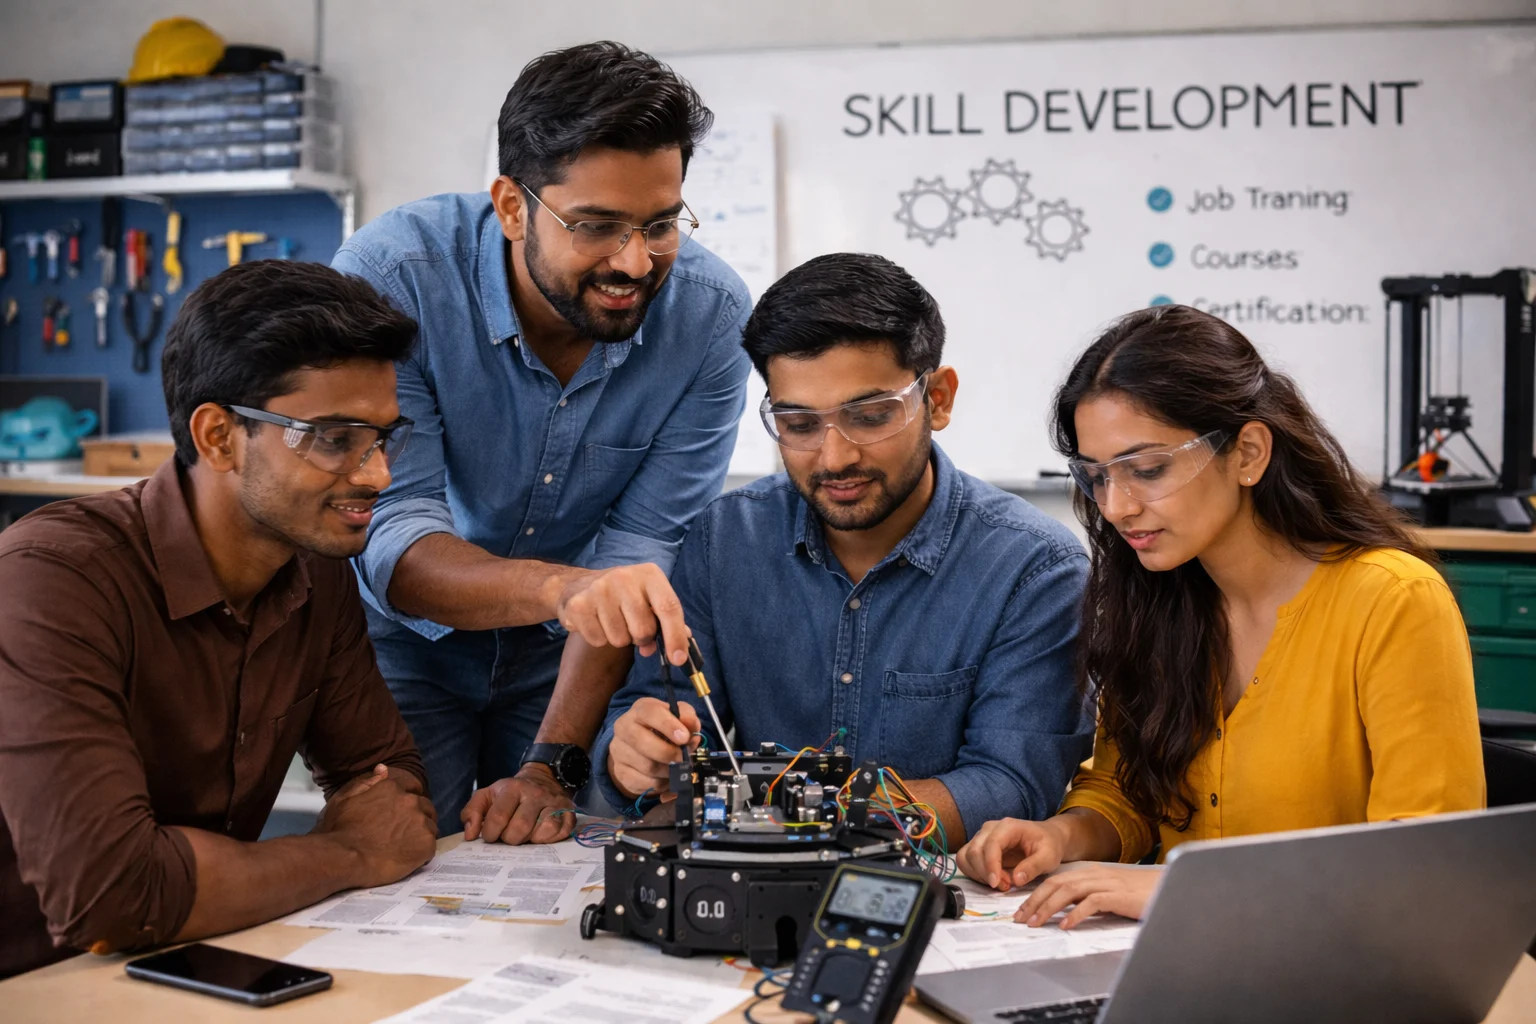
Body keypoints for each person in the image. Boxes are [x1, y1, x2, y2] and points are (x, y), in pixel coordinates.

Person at [333, 41, 751, 843]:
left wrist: (552, 760)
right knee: (408, 859)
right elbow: (394, 537)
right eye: (597, 227)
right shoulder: (395, 278)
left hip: (564, 661)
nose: (635, 261)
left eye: (660, 224)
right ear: (512, 206)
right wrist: (567, 590)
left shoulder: (710, 319)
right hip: (404, 645)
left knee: (557, 868)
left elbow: (640, 550)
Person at [956, 304, 1485, 927]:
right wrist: (1065, 837)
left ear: (1249, 453)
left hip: (1341, 967)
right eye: (1096, 477)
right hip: (1179, 958)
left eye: (1147, 470)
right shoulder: (1156, 599)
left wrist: (1182, 891)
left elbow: (1422, 865)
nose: (1117, 506)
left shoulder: (1393, 601)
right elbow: (1128, 791)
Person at [0, 261, 438, 979]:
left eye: (384, 438)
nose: (377, 475)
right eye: (334, 438)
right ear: (218, 437)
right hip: (38, 985)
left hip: (193, 961)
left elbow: (390, 791)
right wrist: (347, 853)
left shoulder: (314, 566)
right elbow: (110, 895)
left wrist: (207, 879)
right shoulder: (52, 579)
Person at [591, 253, 1094, 845]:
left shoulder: (1035, 569)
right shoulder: (723, 542)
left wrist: (793, 805)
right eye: (799, 424)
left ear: (937, 398)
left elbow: (1010, 786)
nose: (835, 458)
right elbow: (652, 726)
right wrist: (632, 758)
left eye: (869, 415)